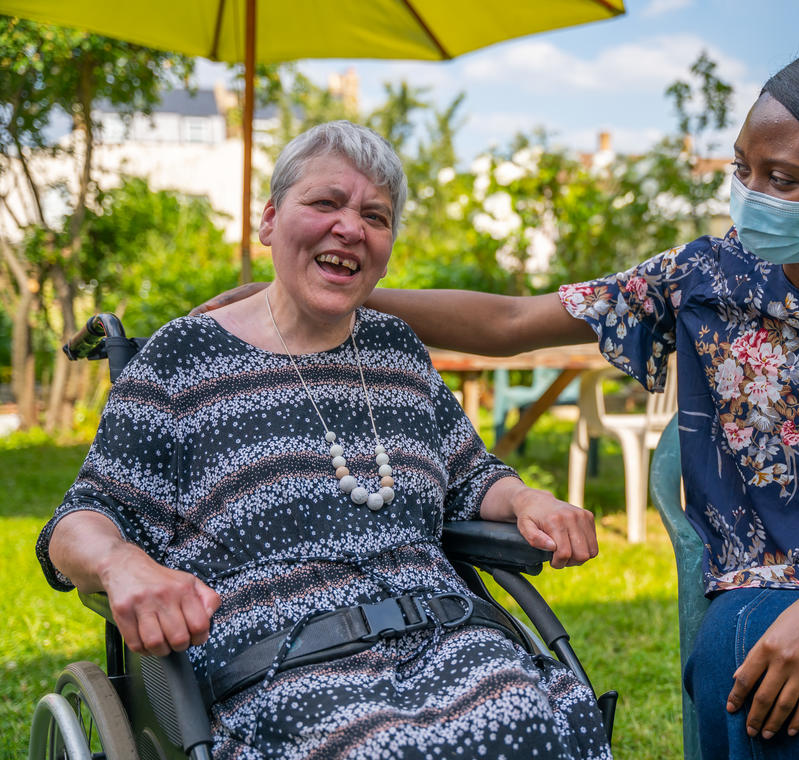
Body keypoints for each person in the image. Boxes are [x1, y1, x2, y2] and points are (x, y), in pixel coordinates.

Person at [198, 40, 799, 759]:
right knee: (739, 662)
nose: (751, 197)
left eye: (782, 179)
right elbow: (511, 321)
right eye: (743, 168)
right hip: (765, 583)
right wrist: (336, 289)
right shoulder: (709, 277)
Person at [37, 121, 612, 759]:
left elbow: (471, 475)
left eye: (375, 216)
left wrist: (527, 498)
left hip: (445, 634)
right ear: (270, 220)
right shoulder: (184, 358)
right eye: (325, 202)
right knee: (375, 749)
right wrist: (121, 564)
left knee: (530, 719)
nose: (350, 228)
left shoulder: (396, 350)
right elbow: (81, 519)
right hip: (281, 660)